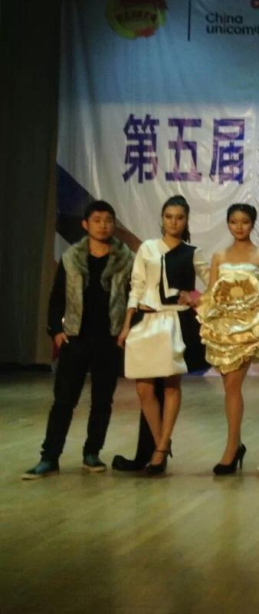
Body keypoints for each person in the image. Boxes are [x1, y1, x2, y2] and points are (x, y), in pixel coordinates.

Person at [23, 201, 135, 480]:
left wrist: (126, 331)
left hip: (109, 339)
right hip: (76, 338)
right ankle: (49, 457)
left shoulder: (127, 259)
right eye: (96, 219)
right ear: (85, 224)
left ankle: (92, 453)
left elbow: (134, 299)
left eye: (108, 220)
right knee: (63, 401)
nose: (103, 225)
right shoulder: (71, 257)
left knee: (102, 401)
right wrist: (55, 330)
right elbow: (57, 297)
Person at [117, 195, 209, 476]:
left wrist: (196, 298)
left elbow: (215, 285)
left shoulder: (193, 252)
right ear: (162, 218)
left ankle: (158, 452)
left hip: (174, 321)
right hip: (146, 320)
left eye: (179, 217)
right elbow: (136, 286)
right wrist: (127, 324)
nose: (174, 222)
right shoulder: (147, 248)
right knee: (144, 388)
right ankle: (161, 444)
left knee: (170, 386)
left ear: (186, 220)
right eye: (169, 217)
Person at [198, 203, 259, 475]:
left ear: (252, 223)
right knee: (229, 386)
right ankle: (235, 445)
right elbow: (211, 293)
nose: (239, 227)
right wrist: (199, 308)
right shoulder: (219, 255)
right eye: (234, 222)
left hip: (248, 329)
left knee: (232, 386)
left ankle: (231, 449)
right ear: (228, 224)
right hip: (222, 328)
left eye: (244, 222)